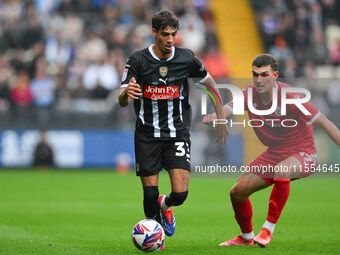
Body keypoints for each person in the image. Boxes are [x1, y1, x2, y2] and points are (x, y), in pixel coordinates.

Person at [203, 53, 340, 247]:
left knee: (282, 170)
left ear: (275, 75)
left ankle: (268, 229)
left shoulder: (291, 97)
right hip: (274, 153)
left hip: (302, 152)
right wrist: (215, 117)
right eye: (255, 74)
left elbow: (325, 123)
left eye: (264, 75)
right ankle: (246, 237)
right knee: (237, 192)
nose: (259, 79)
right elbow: (227, 110)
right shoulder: (248, 94)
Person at [118, 10, 228, 250]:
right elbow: (122, 98)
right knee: (148, 194)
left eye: (173, 34)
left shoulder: (186, 58)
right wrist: (126, 94)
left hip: (177, 133)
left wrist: (220, 116)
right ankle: (157, 239)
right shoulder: (137, 60)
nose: (170, 39)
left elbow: (210, 83)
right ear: (154, 32)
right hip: (147, 135)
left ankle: (165, 206)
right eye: (165, 34)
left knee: (180, 194)